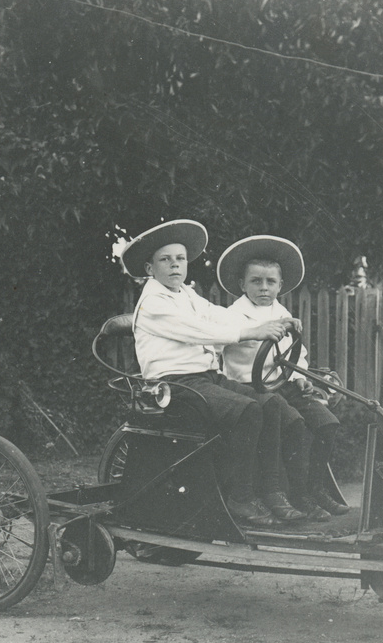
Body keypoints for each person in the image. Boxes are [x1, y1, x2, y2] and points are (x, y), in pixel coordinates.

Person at [121, 219, 306, 527]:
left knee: (271, 403)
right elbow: (199, 330)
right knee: (247, 410)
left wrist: (269, 323)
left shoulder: (185, 294)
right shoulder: (153, 302)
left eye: (180, 258)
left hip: (205, 378)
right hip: (174, 384)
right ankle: (241, 497)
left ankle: (272, 490)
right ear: (150, 268)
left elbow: (217, 315)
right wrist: (252, 331)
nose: (175, 265)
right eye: (165, 260)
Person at [217, 235, 351, 520]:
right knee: (295, 425)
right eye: (256, 281)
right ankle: (296, 496)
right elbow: (213, 347)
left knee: (326, 423)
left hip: (284, 383)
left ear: (280, 285)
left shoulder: (281, 312)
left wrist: (300, 374)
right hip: (250, 388)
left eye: (270, 282)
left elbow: (294, 351)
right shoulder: (232, 316)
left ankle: (316, 489)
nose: (264, 288)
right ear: (242, 284)